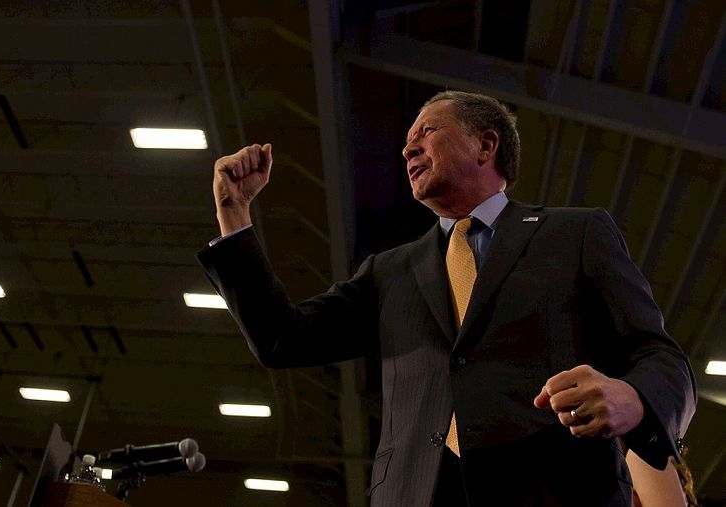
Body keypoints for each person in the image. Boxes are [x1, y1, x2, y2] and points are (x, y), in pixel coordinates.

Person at [197, 90, 696, 506]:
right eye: (406, 142)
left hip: (552, 490)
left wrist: (634, 398)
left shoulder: (575, 234)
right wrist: (233, 214)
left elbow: (661, 356)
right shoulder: (389, 271)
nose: (407, 149)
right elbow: (282, 338)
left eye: (426, 132)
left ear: (486, 145)